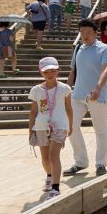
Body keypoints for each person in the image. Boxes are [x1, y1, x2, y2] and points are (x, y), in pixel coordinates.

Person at [64, 18, 107, 177]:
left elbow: (106, 69)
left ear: (95, 33)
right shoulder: (78, 48)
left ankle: (100, 164)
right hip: (77, 95)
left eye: (88, 33)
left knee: (100, 130)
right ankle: (80, 162)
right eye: (82, 32)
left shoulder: (103, 49)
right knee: (70, 127)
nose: (85, 36)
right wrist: (64, 91)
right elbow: (73, 71)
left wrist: (98, 87)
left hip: (96, 96)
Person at [28, 57, 73, 200]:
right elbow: (34, 111)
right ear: (41, 73)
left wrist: (70, 125)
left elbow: (68, 108)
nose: (50, 74)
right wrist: (31, 130)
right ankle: (49, 176)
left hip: (60, 126)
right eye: (46, 71)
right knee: (45, 159)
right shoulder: (36, 90)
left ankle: (55, 187)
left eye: (53, 71)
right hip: (41, 126)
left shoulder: (65, 88)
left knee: (54, 156)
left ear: (58, 71)